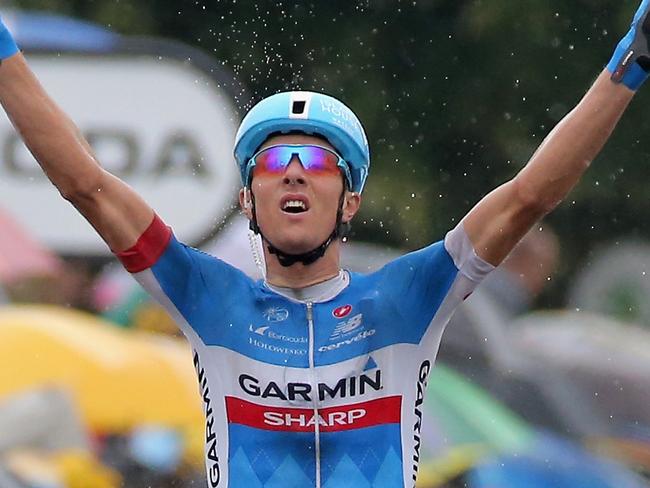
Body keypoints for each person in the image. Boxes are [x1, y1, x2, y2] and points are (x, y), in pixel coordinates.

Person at [0, 1, 648, 485]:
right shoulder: (206, 294)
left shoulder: (409, 296)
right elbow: (87, 184)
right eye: (274, 160)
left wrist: (630, 65)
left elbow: (528, 197)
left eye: (316, 163)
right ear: (245, 201)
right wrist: (5, 55)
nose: (293, 172)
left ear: (352, 201)